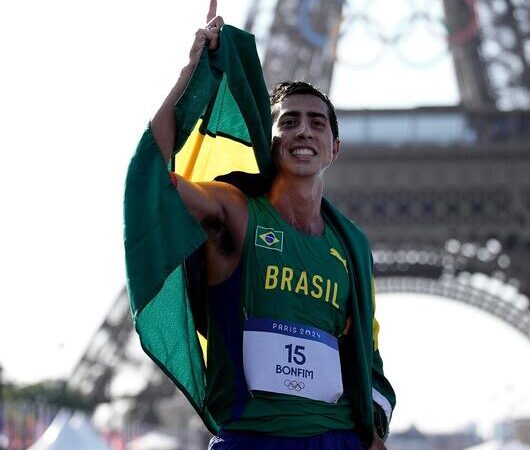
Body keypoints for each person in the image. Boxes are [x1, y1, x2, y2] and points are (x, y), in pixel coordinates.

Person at [147, 15, 395, 450]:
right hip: (254, 437)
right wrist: (191, 75)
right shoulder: (236, 212)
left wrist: (372, 435)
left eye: (317, 123)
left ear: (334, 149)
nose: (303, 130)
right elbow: (157, 176)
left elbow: (361, 350)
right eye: (289, 121)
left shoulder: (351, 246)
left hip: (335, 437)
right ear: (271, 138)